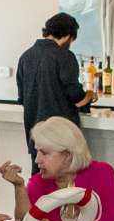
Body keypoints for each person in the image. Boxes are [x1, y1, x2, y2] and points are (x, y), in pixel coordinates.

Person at [0, 116, 114, 221]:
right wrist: (19, 186)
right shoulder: (39, 181)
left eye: (45, 153)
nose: (37, 160)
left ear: (67, 155)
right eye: (37, 152)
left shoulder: (102, 173)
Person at [16, 11, 94, 145]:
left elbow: (22, 98)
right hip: (61, 134)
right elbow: (76, 96)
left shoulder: (25, 57)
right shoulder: (65, 56)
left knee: (39, 166)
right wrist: (90, 95)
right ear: (68, 36)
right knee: (66, 166)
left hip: (35, 133)